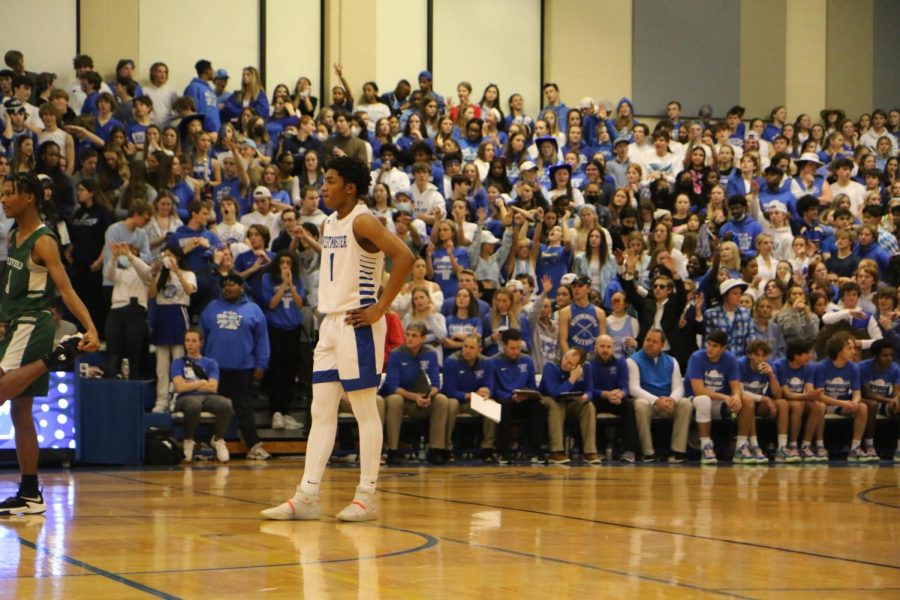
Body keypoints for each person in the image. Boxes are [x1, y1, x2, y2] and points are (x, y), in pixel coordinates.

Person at [262, 155, 414, 522]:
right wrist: (311, 243)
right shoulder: (330, 222)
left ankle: (367, 495)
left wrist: (380, 307)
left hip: (357, 321)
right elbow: (340, 258)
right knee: (320, 410)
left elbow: (405, 257)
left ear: (349, 187)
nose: (322, 187)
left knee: (363, 408)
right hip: (329, 323)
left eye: (329, 181)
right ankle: (308, 495)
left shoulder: (364, 219)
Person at [0, 173, 100, 515]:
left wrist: (90, 327)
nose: (3, 199)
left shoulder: (44, 241)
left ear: (29, 197)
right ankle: (30, 493)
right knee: (20, 411)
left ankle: (55, 356)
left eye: (10, 193)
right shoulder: (16, 234)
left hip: (32, 322)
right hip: (16, 322)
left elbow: (67, 289)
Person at [200, 273, 270, 461]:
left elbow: (262, 340)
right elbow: (200, 338)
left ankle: (254, 446)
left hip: (243, 368)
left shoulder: (253, 310)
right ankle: (207, 445)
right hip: (215, 370)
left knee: (244, 408)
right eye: (225, 285)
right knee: (213, 409)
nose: (227, 288)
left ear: (241, 287)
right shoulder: (211, 308)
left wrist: (261, 363)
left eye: (232, 284)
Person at [380, 322, 451, 465]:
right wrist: (414, 397)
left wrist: (427, 396)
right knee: (394, 399)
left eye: (414, 336)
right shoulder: (396, 354)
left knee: (442, 399)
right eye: (407, 335)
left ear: (423, 338)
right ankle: (392, 451)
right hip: (403, 401)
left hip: (423, 400)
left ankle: (435, 450)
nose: (409, 338)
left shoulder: (430, 354)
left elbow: (436, 384)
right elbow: (392, 386)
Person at [627, 328, 692, 462]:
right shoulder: (632, 360)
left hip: (667, 403)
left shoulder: (672, 361)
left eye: (654, 341)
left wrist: (672, 400)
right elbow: (633, 388)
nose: (649, 343)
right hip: (648, 403)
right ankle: (648, 452)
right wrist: (656, 400)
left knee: (685, 403)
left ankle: (677, 451)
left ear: (662, 345)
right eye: (647, 340)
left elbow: (679, 387)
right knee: (640, 404)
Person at [171, 329, 233, 463]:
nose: (190, 344)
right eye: (187, 341)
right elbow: (179, 387)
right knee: (194, 405)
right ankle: (188, 440)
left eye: (194, 341)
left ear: (201, 343)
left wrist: (191, 383)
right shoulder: (178, 363)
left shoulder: (211, 363)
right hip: (185, 397)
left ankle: (218, 439)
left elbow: (213, 387)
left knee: (226, 404)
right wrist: (201, 382)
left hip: (208, 397)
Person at [685, 329, 747, 465]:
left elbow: (736, 386)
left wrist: (736, 397)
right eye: (709, 344)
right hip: (694, 400)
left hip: (719, 402)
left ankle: (743, 445)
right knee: (704, 400)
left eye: (715, 346)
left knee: (746, 400)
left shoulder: (730, 359)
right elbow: (698, 389)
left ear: (723, 348)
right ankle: (706, 446)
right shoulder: (696, 357)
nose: (710, 349)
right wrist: (725, 397)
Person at [486, 329, 545, 463]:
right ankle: (503, 451)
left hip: (523, 399)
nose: (516, 352)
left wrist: (526, 394)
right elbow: (493, 388)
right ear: (504, 346)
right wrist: (510, 396)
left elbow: (532, 385)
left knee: (538, 406)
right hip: (505, 399)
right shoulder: (493, 361)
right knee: (504, 406)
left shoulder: (528, 360)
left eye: (518, 348)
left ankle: (536, 450)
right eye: (512, 348)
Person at [812, 331, 872, 462]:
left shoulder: (854, 368)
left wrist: (854, 402)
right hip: (826, 403)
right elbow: (819, 395)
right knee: (819, 406)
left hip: (841, 404)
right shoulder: (821, 366)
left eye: (853, 348)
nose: (853, 352)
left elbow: (857, 393)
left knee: (862, 407)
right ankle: (819, 445)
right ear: (839, 351)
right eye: (849, 348)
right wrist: (842, 403)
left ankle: (855, 448)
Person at [441, 333, 497, 463]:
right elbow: (448, 391)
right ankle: (447, 448)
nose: (467, 350)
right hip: (457, 401)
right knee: (451, 403)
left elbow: (490, 388)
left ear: (480, 350)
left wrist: (486, 392)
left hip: (473, 402)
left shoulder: (487, 363)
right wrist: (471, 395)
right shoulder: (451, 361)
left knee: (491, 404)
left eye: (472, 348)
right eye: (465, 346)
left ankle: (487, 448)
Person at [539, 348, 601, 464]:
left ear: (579, 366)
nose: (565, 362)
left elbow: (590, 390)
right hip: (548, 400)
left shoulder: (587, 367)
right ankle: (556, 451)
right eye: (566, 357)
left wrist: (585, 397)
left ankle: (589, 451)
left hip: (571, 402)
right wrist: (572, 378)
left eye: (570, 363)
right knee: (557, 404)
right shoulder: (550, 366)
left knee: (589, 406)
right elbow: (555, 393)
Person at [773, 338, 825, 462]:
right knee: (798, 406)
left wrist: (813, 394)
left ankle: (806, 445)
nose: (810, 356)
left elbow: (808, 389)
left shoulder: (809, 367)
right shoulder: (779, 365)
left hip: (799, 398)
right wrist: (806, 396)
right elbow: (785, 393)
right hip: (784, 400)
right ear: (796, 356)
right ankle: (793, 444)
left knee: (818, 406)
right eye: (807, 353)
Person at [590, 334, 639, 462]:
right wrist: (606, 394)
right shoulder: (589, 364)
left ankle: (629, 450)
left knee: (628, 405)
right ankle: (596, 450)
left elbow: (625, 386)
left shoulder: (621, 362)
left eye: (608, 346)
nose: (605, 350)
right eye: (602, 346)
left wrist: (620, 394)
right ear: (596, 348)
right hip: (598, 399)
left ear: (612, 348)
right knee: (588, 407)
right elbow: (589, 389)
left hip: (615, 399)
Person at [859, 338, 898, 461]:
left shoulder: (895, 368)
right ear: (876, 356)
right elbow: (868, 393)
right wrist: (889, 401)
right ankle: (869, 445)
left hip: (885, 403)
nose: (889, 358)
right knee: (873, 404)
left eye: (891, 355)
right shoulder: (863, 367)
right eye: (885, 355)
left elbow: (897, 392)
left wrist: (896, 400)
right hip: (865, 402)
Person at [557, 275, 607, 357]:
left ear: (588, 289)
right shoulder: (565, 312)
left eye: (580, 286)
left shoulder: (600, 313)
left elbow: (602, 340)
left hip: (593, 358)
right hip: (573, 356)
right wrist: (571, 360)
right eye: (574, 286)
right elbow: (563, 341)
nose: (576, 289)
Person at [705, 279, 754, 358]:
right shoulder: (711, 314)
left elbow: (751, 339)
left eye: (740, 293)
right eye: (735, 293)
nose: (739, 296)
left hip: (741, 360)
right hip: (719, 360)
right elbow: (708, 342)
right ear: (725, 296)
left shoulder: (746, 313)